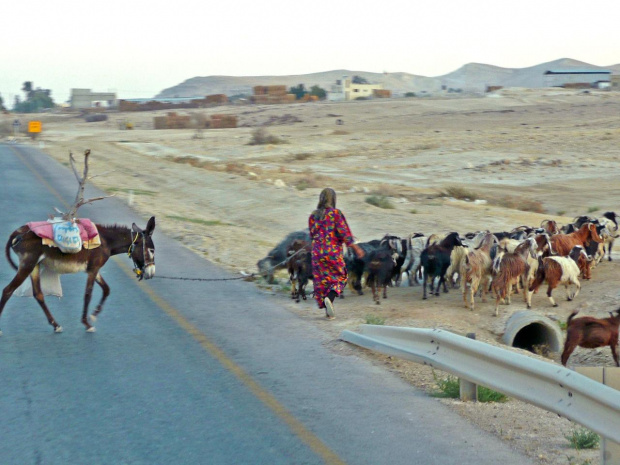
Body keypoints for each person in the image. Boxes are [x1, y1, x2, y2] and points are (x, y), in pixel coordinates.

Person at [309, 188, 364, 319]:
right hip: (332, 252)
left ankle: (328, 312)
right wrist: (357, 249)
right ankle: (330, 297)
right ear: (333, 199)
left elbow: (312, 234)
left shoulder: (313, 215)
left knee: (322, 281)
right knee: (341, 277)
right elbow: (345, 233)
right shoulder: (335, 214)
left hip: (317, 253)